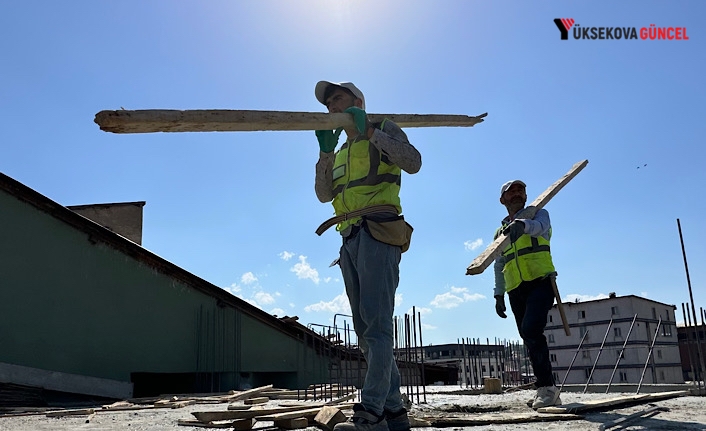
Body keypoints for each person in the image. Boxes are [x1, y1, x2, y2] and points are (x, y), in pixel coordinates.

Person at [313, 81, 421, 431]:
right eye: (328, 103)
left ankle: (371, 409)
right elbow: (323, 194)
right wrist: (325, 154)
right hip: (349, 237)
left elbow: (413, 162)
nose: (332, 106)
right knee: (365, 332)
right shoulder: (342, 148)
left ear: (357, 102)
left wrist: (371, 131)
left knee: (376, 326)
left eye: (338, 99)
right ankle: (395, 414)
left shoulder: (384, 128)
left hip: (379, 230)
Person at [493, 180, 562, 409]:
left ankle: (548, 387)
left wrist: (522, 225)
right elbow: (498, 263)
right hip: (515, 288)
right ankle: (545, 389)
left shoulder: (539, 215)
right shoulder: (500, 232)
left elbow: (540, 228)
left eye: (520, 190)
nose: (517, 194)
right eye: (511, 191)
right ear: (503, 200)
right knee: (527, 336)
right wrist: (499, 294)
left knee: (532, 329)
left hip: (540, 281)